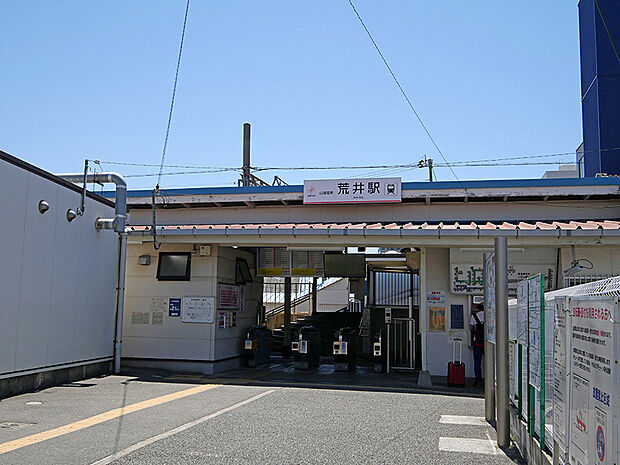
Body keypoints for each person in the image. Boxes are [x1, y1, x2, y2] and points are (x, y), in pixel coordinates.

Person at [470, 304, 485, 388]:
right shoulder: (490, 315)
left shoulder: (474, 316)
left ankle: (478, 381)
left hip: (478, 342)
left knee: (477, 363)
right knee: (491, 362)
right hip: (488, 343)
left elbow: (471, 329)